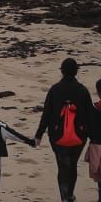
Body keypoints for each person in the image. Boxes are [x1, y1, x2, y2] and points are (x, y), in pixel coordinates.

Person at [36, 58, 95, 202]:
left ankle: (64, 197)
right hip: (79, 136)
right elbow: (90, 115)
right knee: (73, 165)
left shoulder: (54, 90)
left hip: (57, 136)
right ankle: (70, 195)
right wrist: (94, 137)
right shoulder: (83, 91)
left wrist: (39, 135)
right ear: (76, 72)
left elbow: (46, 114)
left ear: (62, 71)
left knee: (62, 166)